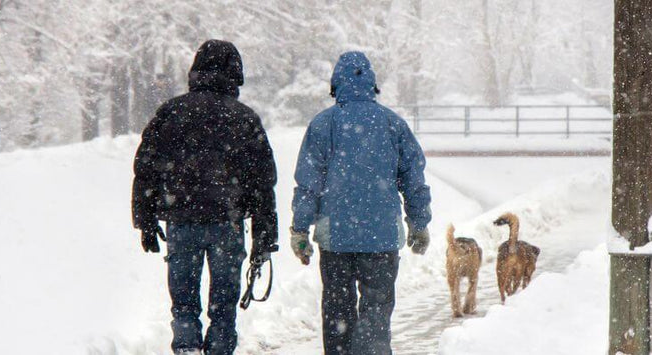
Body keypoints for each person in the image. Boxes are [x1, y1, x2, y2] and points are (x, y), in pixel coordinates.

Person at [131, 39, 278, 355]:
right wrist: (265, 235)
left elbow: (145, 167)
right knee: (224, 305)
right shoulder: (244, 118)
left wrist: (144, 218)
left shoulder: (171, 112)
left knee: (183, 302)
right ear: (234, 75)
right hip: (228, 221)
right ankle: (220, 348)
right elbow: (264, 183)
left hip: (181, 220)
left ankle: (185, 347)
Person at [289, 51, 432, 355]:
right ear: (372, 84)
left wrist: (300, 229)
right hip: (381, 237)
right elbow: (414, 178)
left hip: (335, 237)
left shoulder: (323, 125)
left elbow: (308, 183)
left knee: (337, 311)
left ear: (335, 84)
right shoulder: (393, 124)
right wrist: (419, 223)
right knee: (376, 312)